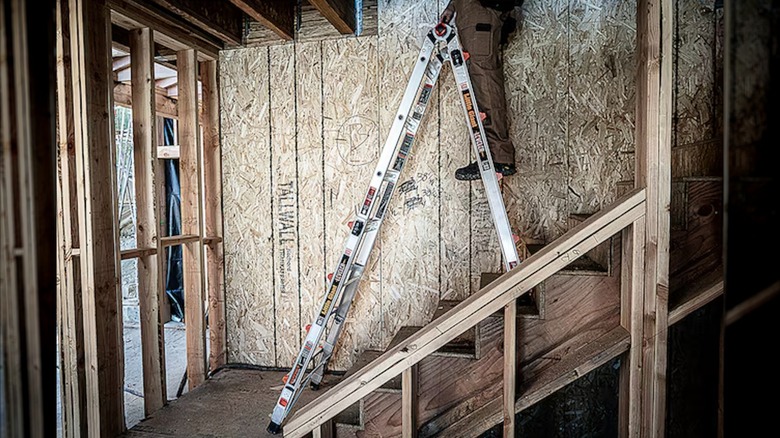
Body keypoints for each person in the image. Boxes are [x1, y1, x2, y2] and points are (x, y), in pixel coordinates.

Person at [440, 0, 523, 181]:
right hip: (474, 12)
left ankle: (498, 156)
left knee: (485, 81)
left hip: (480, 12)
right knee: (482, 81)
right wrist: (453, 6)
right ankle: (495, 154)